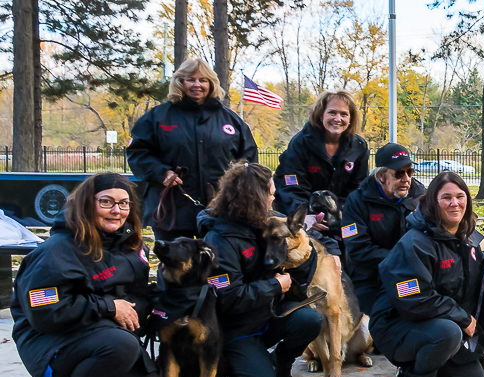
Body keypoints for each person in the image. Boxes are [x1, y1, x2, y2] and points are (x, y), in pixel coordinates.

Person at [12, 174, 164, 377]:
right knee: (120, 345)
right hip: (53, 344)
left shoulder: (132, 245)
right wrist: (110, 308)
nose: (117, 211)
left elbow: (138, 293)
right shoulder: (55, 252)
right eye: (106, 202)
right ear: (86, 204)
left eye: (124, 203)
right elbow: (45, 313)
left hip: (108, 336)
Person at [197, 162, 322, 377]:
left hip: (267, 314)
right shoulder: (219, 239)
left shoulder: (263, 222)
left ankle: (280, 362)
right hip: (236, 327)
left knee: (310, 319)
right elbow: (227, 298)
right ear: (254, 198)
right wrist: (275, 286)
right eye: (270, 195)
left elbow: (305, 244)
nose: (273, 200)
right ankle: (229, 363)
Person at [371, 172, 484, 377]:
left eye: (460, 196)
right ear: (434, 202)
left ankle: (424, 365)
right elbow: (413, 299)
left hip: (441, 321)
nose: (454, 203)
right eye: (446, 197)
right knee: (448, 332)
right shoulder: (415, 243)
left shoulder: (469, 237)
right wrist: (463, 319)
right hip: (398, 325)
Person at [127, 57, 258, 241]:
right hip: (171, 211)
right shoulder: (157, 117)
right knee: (175, 267)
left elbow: (249, 160)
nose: (197, 85)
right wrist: (161, 173)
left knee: (219, 265)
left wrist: (240, 189)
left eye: (203, 80)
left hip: (221, 209)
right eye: (191, 79)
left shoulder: (231, 120)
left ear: (211, 84)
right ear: (180, 82)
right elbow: (138, 153)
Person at [342, 143, 426, 315]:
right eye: (398, 174)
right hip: (371, 278)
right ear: (381, 176)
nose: (406, 179)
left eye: (409, 172)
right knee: (376, 321)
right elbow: (358, 250)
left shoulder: (420, 195)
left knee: (416, 310)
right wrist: (401, 258)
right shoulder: (356, 201)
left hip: (409, 274)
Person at [273, 91, 370, 229]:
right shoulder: (300, 143)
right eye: (332, 112)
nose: (338, 118)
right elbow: (292, 186)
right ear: (320, 114)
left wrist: (338, 214)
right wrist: (304, 216)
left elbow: (357, 188)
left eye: (344, 114)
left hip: (338, 215)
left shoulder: (359, 147)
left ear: (350, 118)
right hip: (302, 215)